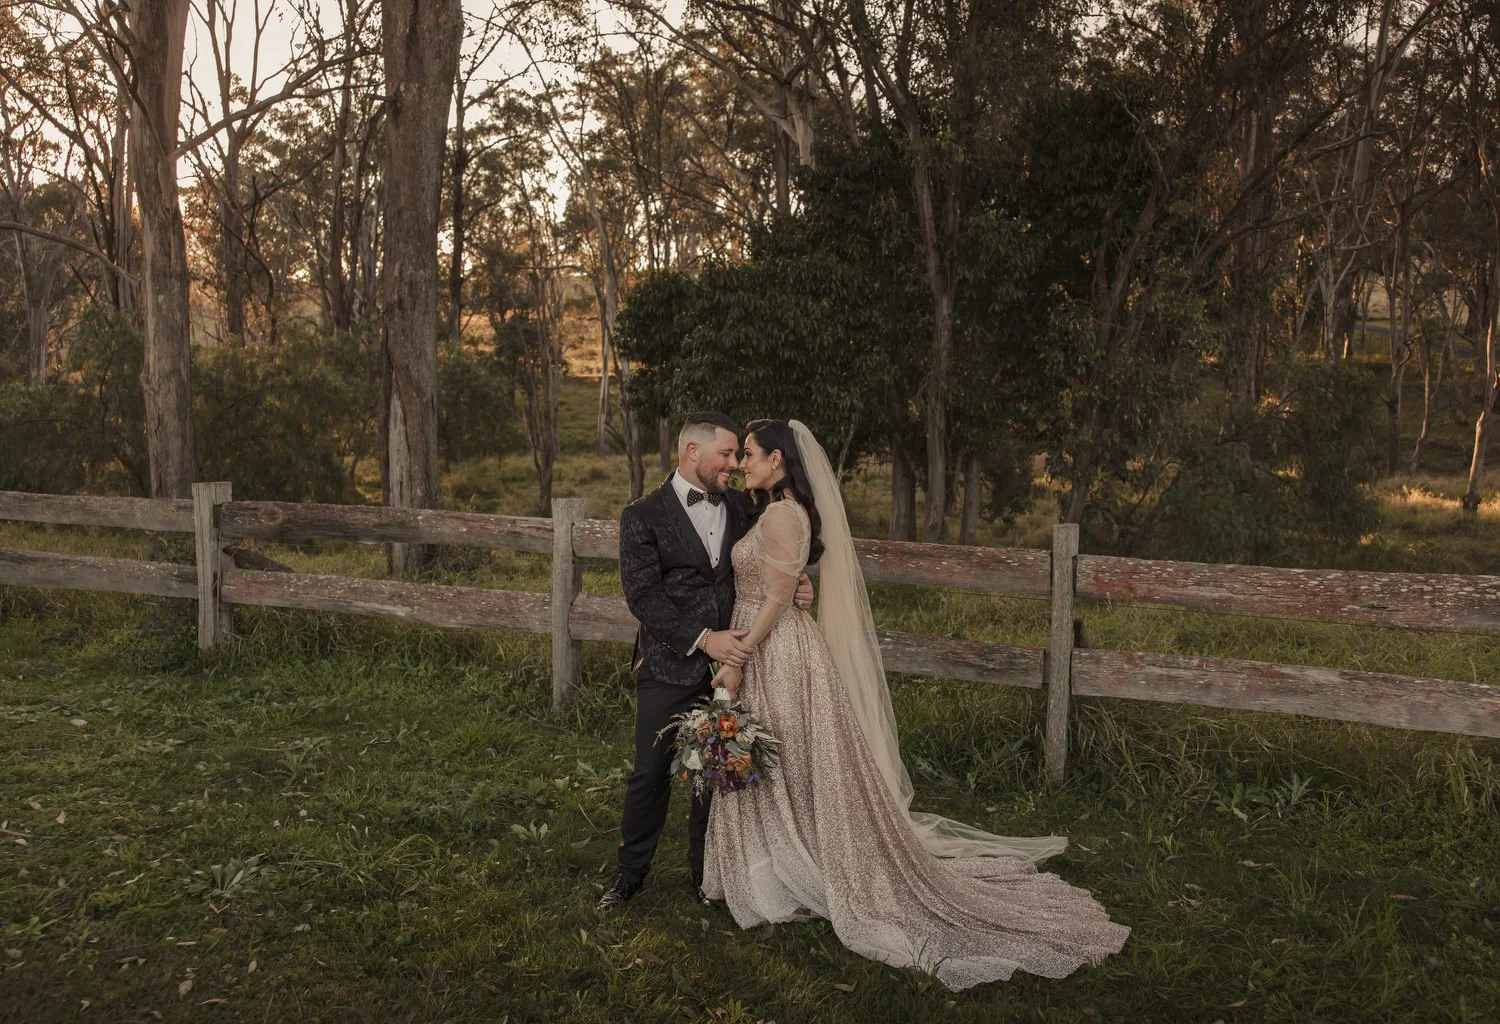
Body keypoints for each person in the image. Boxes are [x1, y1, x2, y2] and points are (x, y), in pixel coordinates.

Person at [702, 419, 1130, 991]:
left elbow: (778, 598)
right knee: (788, 762)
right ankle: (776, 863)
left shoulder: (781, 514)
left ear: (778, 460)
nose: (742, 464)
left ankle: (790, 867)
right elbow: (786, 584)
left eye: (751, 454)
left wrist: (737, 659)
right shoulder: (776, 511)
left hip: (773, 649)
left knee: (786, 760)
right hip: (772, 645)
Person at [598, 412, 813, 912]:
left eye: (739, 455)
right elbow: (643, 597)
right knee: (650, 772)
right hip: (669, 665)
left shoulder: (742, 506)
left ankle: (708, 875)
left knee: (719, 775)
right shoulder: (643, 515)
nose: (735, 464)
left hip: (737, 667)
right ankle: (630, 875)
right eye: (727, 454)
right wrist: (702, 639)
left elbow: (775, 556)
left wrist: (799, 585)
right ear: (692, 451)